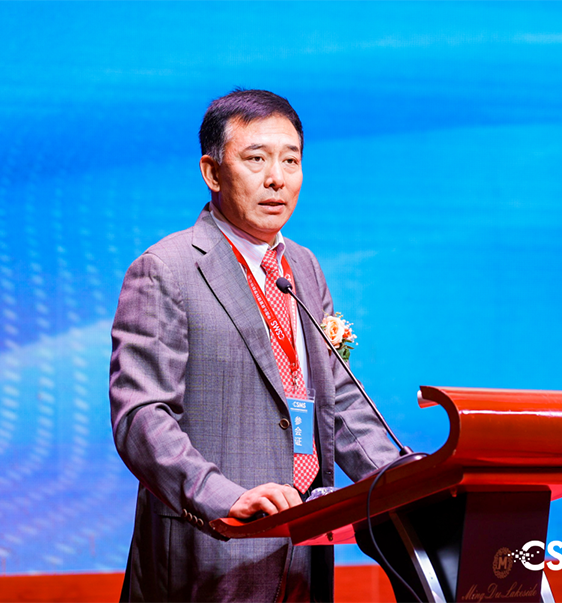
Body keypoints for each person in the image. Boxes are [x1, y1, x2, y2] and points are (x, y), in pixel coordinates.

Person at [109, 89, 399, 603]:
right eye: (257, 159)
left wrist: (405, 481)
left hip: (305, 544)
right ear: (212, 172)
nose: (277, 178)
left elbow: (339, 404)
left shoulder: (303, 268)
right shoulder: (167, 270)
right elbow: (142, 417)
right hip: (213, 547)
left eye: (291, 160)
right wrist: (223, 498)